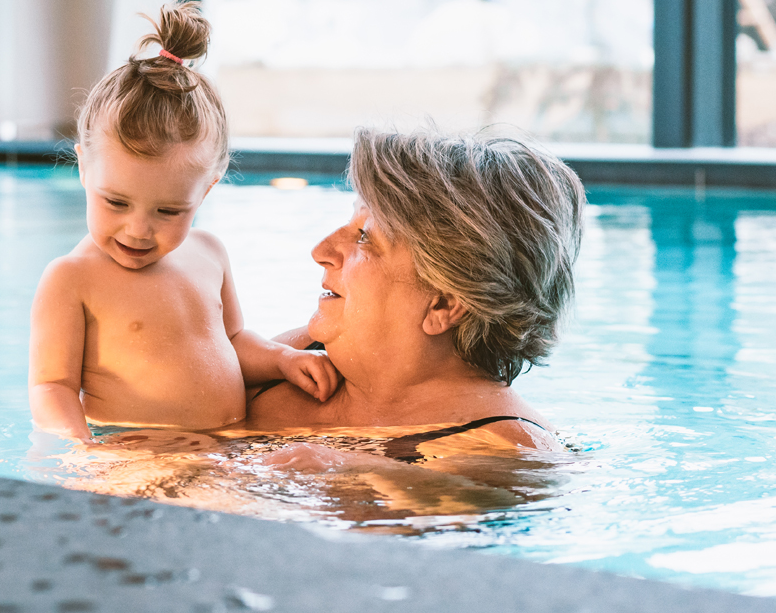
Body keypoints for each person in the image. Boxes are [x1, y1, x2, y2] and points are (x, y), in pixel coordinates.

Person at [28, 1, 339, 442]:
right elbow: (51, 387)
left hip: (228, 448)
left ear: (206, 189)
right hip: (136, 456)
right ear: (83, 168)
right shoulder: (72, 279)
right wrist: (82, 450)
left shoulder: (209, 253)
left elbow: (233, 340)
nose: (138, 229)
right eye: (116, 202)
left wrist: (281, 360)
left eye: (169, 211)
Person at [247, 127, 586, 453]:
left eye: (364, 237)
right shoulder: (285, 359)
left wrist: (355, 472)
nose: (321, 251)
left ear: (444, 304)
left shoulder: (510, 447)